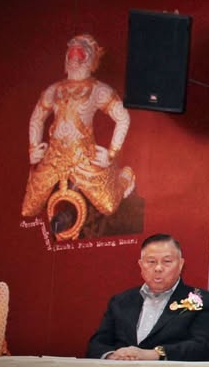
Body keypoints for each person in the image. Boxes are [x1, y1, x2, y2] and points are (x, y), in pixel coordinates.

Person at [22, 33, 136, 240]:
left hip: (83, 157)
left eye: (82, 52)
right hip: (54, 157)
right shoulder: (54, 90)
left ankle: (124, 178)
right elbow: (37, 118)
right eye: (71, 52)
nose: (75, 57)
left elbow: (122, 117)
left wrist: (111, 154)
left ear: (91, 60)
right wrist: (33, 148)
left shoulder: (98, 90)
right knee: (29, 208)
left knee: (109, 205)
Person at [86, 234, 209, 361]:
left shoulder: (201, 300)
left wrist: (152, 354)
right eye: (151, 261)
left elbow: (202, 346)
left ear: (180, 264)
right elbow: (97, 343)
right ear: (141, 265)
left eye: (167, 261)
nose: (158, 268)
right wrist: (112, 357)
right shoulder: (120, 301)